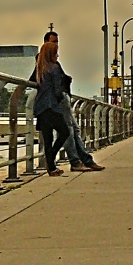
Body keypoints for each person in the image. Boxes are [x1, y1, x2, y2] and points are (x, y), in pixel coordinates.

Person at [29, 30, 104, 172]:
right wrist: (63, 83)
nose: (56, 45)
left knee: (67, 131)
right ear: (47, 43)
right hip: (56, 101)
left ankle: (81, 160)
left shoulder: (45, 63)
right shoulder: (48, 61)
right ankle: (76, 161)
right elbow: (55, 83)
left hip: (44, 105)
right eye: (53, 42)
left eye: (57, 42)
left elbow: (36, 79)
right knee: (67, 131)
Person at [33, 41, 72, 177]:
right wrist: (62, 97)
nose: (57, 55)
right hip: (52, 107)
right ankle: (51, 159)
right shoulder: (54, 68)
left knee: (47, 139)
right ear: (51, 54)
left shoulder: (40, 68)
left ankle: (51, 167)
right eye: (55, 53)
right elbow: (57, 90)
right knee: (65, 132)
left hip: (40, 108)